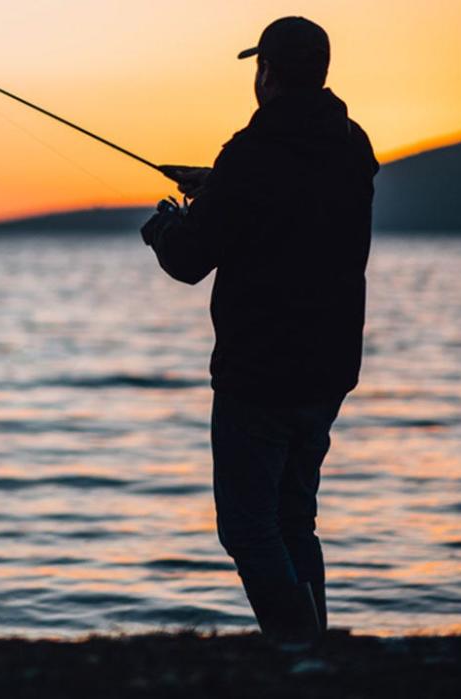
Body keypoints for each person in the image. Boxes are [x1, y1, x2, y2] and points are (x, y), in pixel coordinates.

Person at [140, 16, 379, 643]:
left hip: (259, 373)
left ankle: (297, 646)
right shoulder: (352, 145)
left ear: (267, 73)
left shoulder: (252, 154)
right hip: (328, 370)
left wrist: (164, 225)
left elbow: (190, 261)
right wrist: (219, 189)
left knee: (248, 528)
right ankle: (313, 648)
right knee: (294, 520)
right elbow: (297, 202)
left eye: (259, 68)